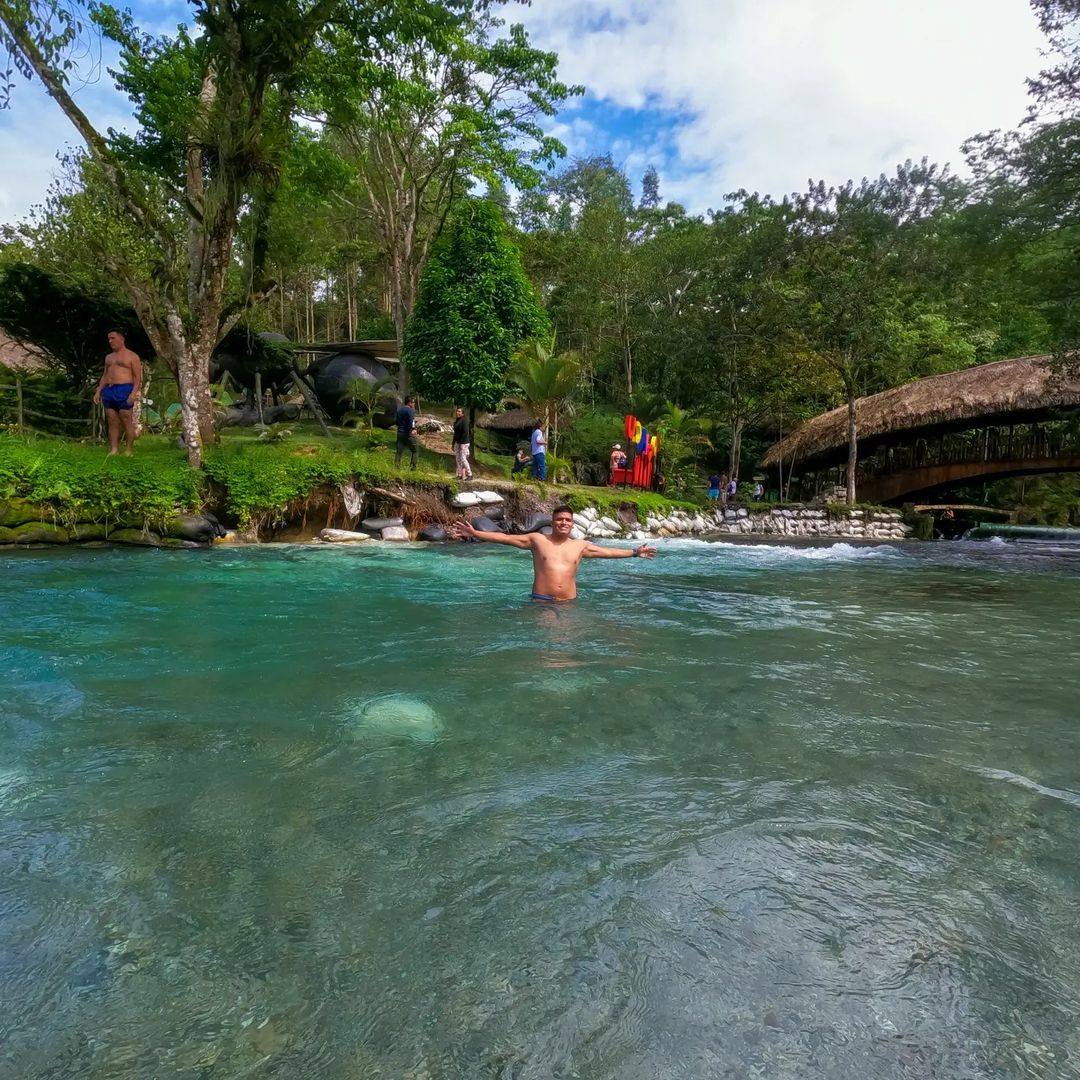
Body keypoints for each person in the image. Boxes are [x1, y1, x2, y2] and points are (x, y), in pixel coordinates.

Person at [450, 504, 657, 602]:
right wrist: (475, 532)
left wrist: (634, 552)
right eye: (560, 519)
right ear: (553, 522)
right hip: (541, 601)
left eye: (567, 520)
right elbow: (505, 538)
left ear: (572, 523)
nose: (563, 523)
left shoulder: (580, 545)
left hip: (569, 604)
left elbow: (607, 552)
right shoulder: (537, 540)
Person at [93, 330, 142, 456]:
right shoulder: (109, 357)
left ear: (121, 339)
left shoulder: (132, 356)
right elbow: (105, 375)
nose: (110, 341)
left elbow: (137, 378)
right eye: (109, 339)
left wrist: (133, 393)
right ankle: (114, 449)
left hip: (125, 389)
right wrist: (98, 391)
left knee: (126, 419)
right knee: (112, 420)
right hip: (110, 390)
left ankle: (129, 449)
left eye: (113, 338)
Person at [395, 395, 418, 470]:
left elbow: (397, 422)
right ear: (410, 402)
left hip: (400, 433)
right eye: (413, 402)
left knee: (399, 451)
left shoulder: (400, 410)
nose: (414, 404)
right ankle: (413, 468)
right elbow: (411, 422)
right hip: (407, 434)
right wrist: (412, 431)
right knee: (415, 451)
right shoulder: (411, 411)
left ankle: (396, 467)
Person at [452, 406, 472, 480]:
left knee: (463, 459)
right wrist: (453, 443)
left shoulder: (464, 421)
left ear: (463, 413)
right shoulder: (457, 421)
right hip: (458, 442)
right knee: (458, 458)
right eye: (457, 411)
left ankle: (470, 474)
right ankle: (459, 474)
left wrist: (461, 443)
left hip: (463, 443)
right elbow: (455, 434)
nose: (458, 412)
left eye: (459, 411)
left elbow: (466, 433)